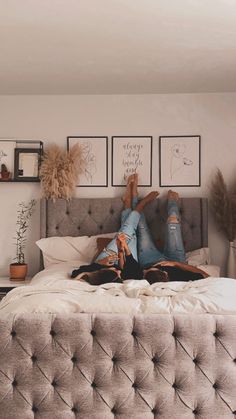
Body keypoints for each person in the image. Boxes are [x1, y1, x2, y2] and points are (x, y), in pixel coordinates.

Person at [71, 175, 159, 284]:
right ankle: (136, 203)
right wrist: (123, 251)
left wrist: (100, 263)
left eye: (114, 271)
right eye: (117, 273)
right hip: (128, 263)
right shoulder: (120, 278)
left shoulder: (95, 275)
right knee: (131, 234)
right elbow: (134, 272)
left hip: (108, 257)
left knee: (127, 231)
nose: (117, 270)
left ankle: (137, 204)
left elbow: (75, 273)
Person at [129, 173, 209, 282]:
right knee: (172, 220)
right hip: (176, 259)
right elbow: (205, 275)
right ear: (166, 274)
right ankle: (172, 202)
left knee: (139, 226)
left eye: (145, 272)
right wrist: (175, 264)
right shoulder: (179, 279)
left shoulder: (143, 277)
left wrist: (149, 268)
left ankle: (134, 196)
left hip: (149, 259)